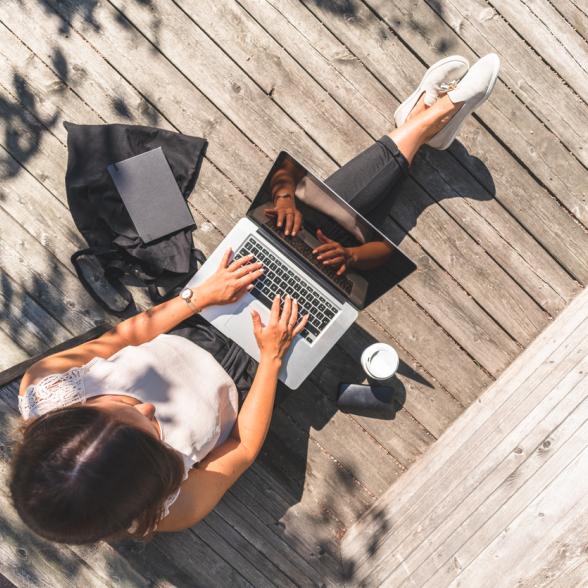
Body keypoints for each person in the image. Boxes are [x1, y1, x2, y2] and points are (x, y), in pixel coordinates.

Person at [9, 54, 499, 544]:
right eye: (150, 433)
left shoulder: (44, 386)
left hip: (193, 319)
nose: (149, 410)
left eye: (123, 406)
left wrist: (198, 297)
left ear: (69, 415)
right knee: (332, 263)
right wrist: (270, 358)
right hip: (254, 377)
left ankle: (422, 125)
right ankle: (423, 122)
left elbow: (123, 336)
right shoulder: (168, 505)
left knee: (294, 234)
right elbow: (241, 448)